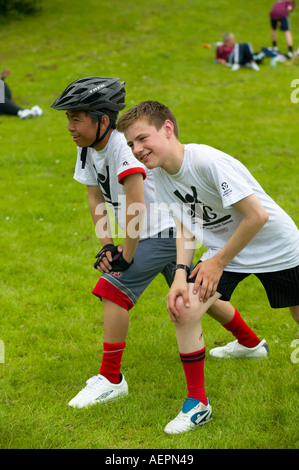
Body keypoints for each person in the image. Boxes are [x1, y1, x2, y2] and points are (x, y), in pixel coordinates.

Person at [51, 78, 267, 415]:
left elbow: (135, 204)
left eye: (76, 118)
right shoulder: (86, 149)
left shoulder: (124, 147)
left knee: (112, 289)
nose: (70, 127)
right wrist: (107, 245)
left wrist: (126, 256)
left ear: (102, 120)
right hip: (148, 233)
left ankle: (111, 379)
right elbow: (95, 195)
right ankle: (251, 343)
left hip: (166, 231)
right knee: (194, 296)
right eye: (68, 118)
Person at [116, 100, 299, 434]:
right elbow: (185, 225)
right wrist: (181, 275)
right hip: (226, 251)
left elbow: (257, 216)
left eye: (142, 138)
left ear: (167, 129)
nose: (136, 149)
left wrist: (217, 262)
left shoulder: (206, 161)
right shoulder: (159, 174)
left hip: (278, 247)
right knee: (184, 307)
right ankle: (198, 404)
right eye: (130, 144)